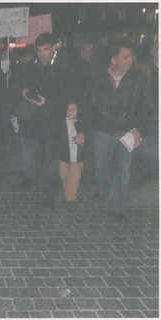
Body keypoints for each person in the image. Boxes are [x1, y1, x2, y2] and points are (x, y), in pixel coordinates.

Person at [87, 41, 154, 221]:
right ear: (113, 59)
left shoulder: (138, 78)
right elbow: (88, 105)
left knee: (123, 172)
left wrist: (139, 130)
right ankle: (102, 188)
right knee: (101, 167)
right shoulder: (98, 78)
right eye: (125, 56)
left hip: (127, 133)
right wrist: (87, 128)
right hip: (102, 133)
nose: (130, 60)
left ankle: (116, 207)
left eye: (131, 56)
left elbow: (149, 108)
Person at [18, 33, 75, 209]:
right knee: (28, 151)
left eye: (46, 49)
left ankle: (49, 194)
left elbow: (69, 95)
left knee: (51, 159)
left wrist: (47, 102)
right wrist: (24, 91)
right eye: (39, 50)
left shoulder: (64, 68)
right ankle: (28, 176)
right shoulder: (31, 65)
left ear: (53, 48)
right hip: (31, 118)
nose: (42, 54)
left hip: (51, 120)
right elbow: (18, 83)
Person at [136, 40, 158, 180]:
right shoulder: (143, 69)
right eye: (156, 48)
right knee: (147, 142)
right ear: (151, 51)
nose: (159, 50)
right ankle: (149, 171)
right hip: (150, 112)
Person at [59, 103, 88, 203]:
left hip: (77, 156)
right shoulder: (62, 124)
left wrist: (83, 138)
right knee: (64, 175)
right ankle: (67, 191)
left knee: (74, 177)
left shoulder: (82, 123)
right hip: (65, 155)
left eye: (74, 109)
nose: (71, 112)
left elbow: (88, 136)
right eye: (68, 109)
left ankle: (70, 198)